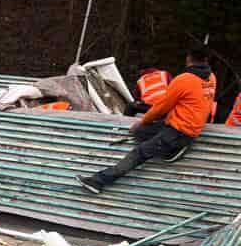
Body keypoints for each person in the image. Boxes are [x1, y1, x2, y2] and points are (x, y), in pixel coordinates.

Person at [77, 47, 214, 194]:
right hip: (185, 126)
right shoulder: (211, 78)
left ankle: (98, 181)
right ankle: (168, 147)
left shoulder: (184, 80)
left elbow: (161, 108)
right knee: (141, 133)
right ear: (206, 60)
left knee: (138, 153)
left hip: (179, 132)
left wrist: (141, 122)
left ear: (188, 60)